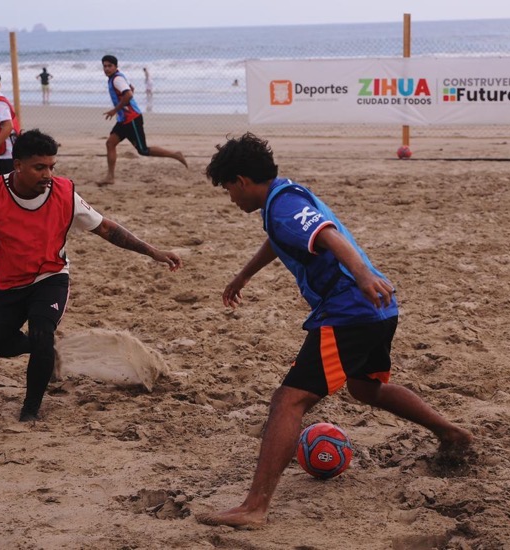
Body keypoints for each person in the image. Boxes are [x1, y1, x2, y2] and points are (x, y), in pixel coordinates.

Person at [197, 133, 473, 528]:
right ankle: (451, 433)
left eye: (227, 190)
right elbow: (282, 241)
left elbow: (327, 235)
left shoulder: (284, 206)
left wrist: (361, 276)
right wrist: (243, 275)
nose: (230, 198)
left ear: (241, 181)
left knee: (288, 401)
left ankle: (255, 507)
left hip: (351, 309)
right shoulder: (283, 198)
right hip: (378, 308)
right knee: (365, 388)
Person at [0, 129, 182, 422]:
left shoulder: (65, 193)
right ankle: (47, 351)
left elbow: (105, 228)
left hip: (50, 278)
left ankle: (30, 410)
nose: (48, 174)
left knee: (42, 331)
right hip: (6, 283)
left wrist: (152, 251)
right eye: (39, 167)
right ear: (18, 165)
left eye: (52, 167)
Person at [99, 54, 187, 186]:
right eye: (104, 66)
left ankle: (175, 154)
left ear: (116, 66)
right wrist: (123, 108)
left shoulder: (117, 79)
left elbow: (128, 94)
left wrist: (115, 110)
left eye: (109, 66)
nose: (106, 68)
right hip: (124, 120)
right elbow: (131, 89)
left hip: (132, 119)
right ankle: (110, 177)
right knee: (110, 144)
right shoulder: (115, 78)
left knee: (143, 150)